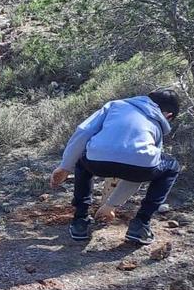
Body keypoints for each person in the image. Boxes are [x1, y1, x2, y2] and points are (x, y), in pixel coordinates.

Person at [50, 89, 181, 246]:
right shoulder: (157, 124)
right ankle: (141, 223)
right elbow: (138, 168)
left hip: (97, 162)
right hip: (139, 167)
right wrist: (111, 205)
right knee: (171, 166)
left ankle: (80, 220)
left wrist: (65, 167)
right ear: (169, 115)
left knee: (81, 161)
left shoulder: (115, 105)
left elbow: (84, 131)